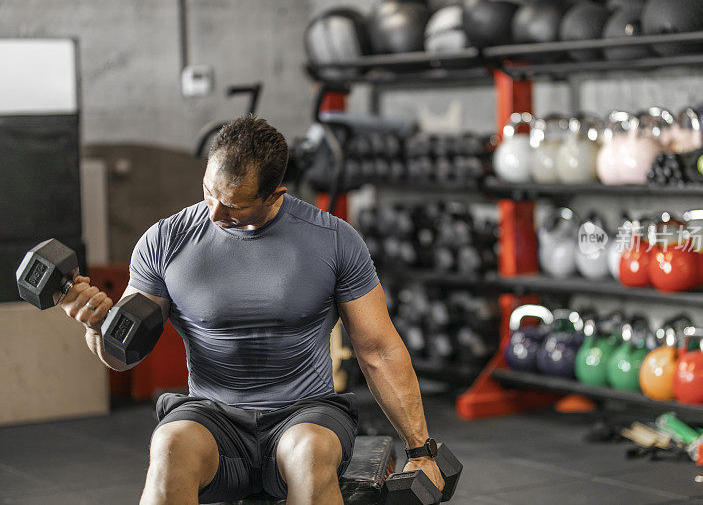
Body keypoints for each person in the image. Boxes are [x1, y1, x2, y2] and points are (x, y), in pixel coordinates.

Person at [60, 116, 444, 505]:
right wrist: (94, 325)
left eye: (234, 205)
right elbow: (122, 355)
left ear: (275, 195)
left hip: (304, 413)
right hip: (212, 417)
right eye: (209, 192)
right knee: (169, 445)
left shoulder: (334, 240)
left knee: (310, 454)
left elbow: (377, 349)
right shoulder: (164, 241)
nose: (214, 214)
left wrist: (420, 450)